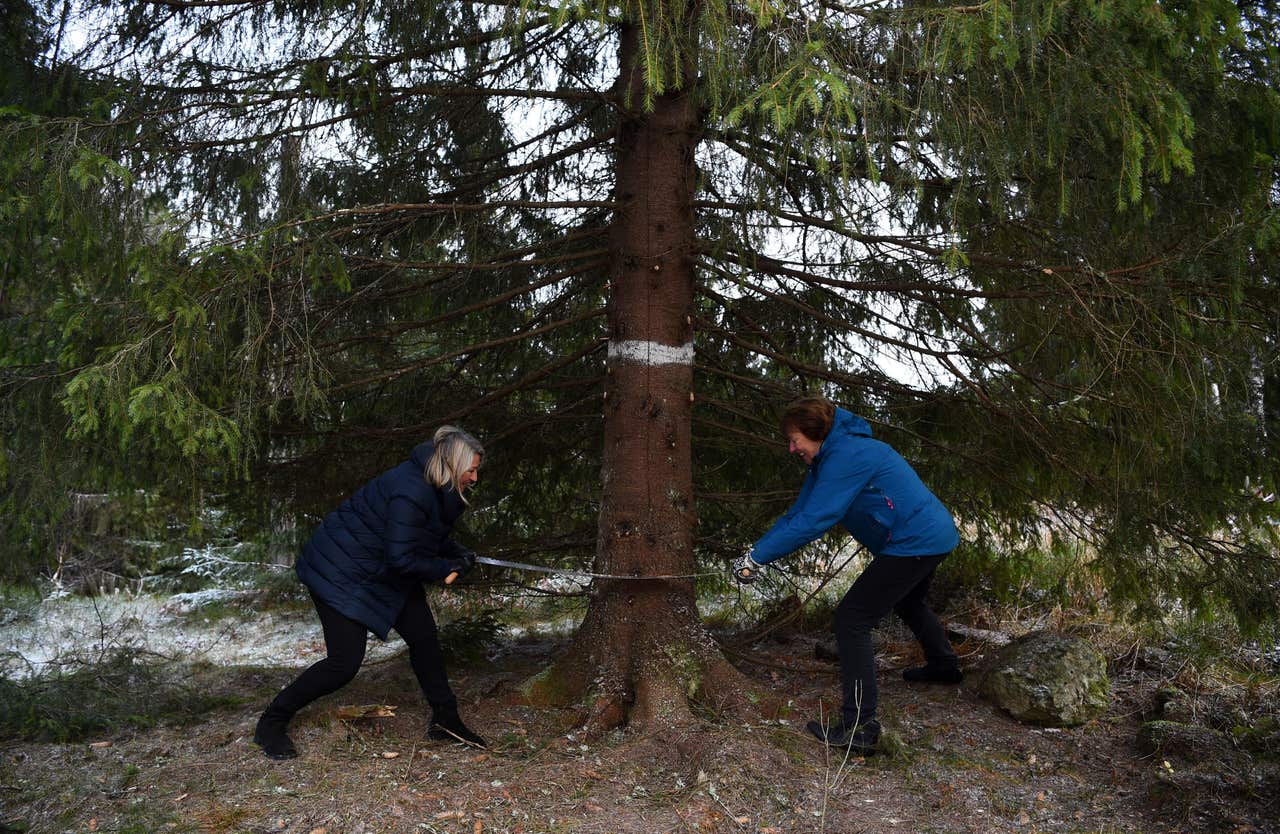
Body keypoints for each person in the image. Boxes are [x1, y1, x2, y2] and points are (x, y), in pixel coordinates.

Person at [735, 397, 962, 754]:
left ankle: (860, 726)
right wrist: (755, 552)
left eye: (795, 439)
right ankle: (944, 666)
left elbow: (814, 520)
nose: (791, 448)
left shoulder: (847, 456)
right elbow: (799, 513)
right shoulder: (828, 459)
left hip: (916, 540)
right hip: (929, 536)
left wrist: (758, 558)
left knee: (851, 618)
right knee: (908, 600)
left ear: (815, 433)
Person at [253, 426, 488, 759]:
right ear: (452, 465)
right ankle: (271, 723)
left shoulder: (434, 486)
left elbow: (416, 535)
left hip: (380, 568)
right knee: (343, 663)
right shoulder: (412, 490)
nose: (475, 477)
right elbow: (403, 556)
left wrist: (456, 552)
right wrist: (445, 568)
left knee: (424, 639)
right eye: (472, 469)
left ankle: (446, 721)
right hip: (340, 572)